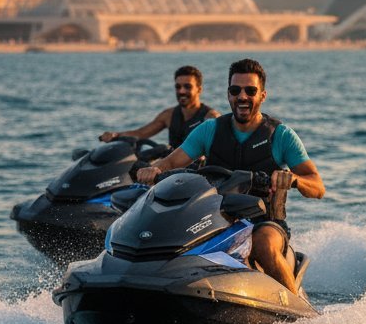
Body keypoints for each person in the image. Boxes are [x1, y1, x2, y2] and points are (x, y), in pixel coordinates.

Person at [136, 58, 324, 293]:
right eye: (236, 91)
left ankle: (299, 314)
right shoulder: (210, 130)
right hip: (215, 219)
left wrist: (294, 179)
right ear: (228, 95)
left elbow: (317, 186)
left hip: (264, 221)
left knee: (264, 244)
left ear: (262, 95)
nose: (242, 97)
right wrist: (154, 170)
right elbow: (173, 161)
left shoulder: (281, 135)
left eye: (250, 91)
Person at [100, 65, 219, 149]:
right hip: (172, 171)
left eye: (187, 87)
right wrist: (115, 135)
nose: (181, 91)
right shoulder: (168, 115)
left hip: (199, 175)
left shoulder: (210, 118)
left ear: (199, 89)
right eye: (178, 87)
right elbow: (141, 133)